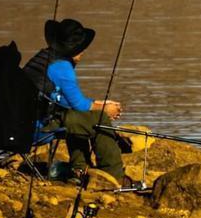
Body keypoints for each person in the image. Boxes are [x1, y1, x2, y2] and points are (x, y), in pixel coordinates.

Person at [23, 18, 125, 183]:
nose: (84, 51)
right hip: (38, 128)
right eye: (82, 48)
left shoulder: (44, 57)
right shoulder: (62, 67)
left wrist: (98, 104)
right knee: (98, 119)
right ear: (75, 50)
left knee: (78, 118)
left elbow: (63, 100)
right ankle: (113, 176)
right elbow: (79, 105)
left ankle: (79, 169)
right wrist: (105, 109)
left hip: (25, 122)